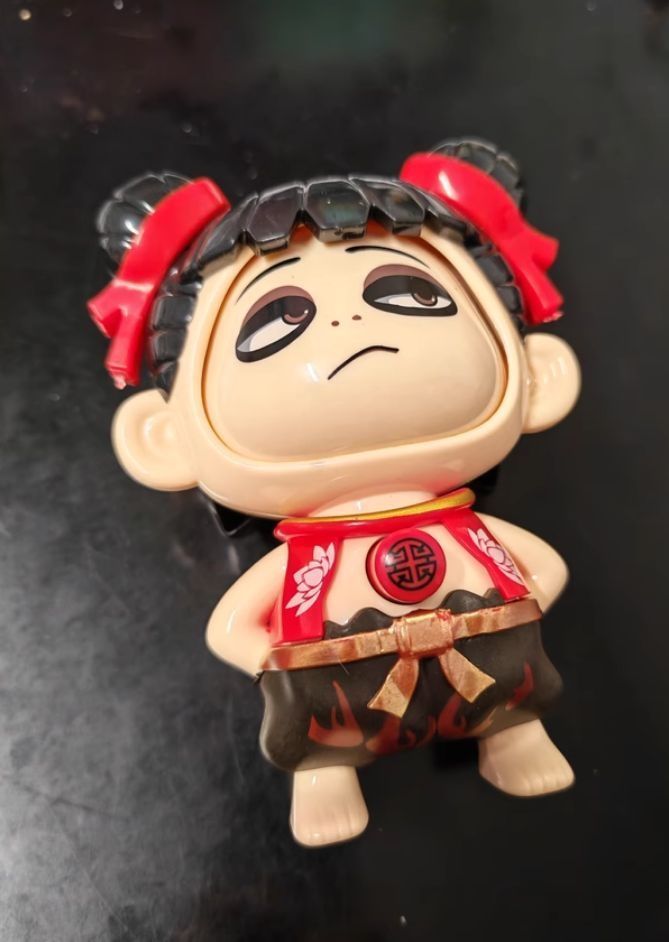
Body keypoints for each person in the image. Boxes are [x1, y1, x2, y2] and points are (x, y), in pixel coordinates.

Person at [89, 138, 581, 846]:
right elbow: (229, 629)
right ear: (164, 438)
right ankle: (324, 775)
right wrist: (279, 662)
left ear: (535, 377)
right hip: (336, 690)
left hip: (488, 664)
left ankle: (512, 738)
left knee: (514, 698)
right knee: (317, 736)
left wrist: (503, 618)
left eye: (410, 292)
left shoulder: (463, 527)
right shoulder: (309, 556)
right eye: (275, 319)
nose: (350, 327)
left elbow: (547, 569)